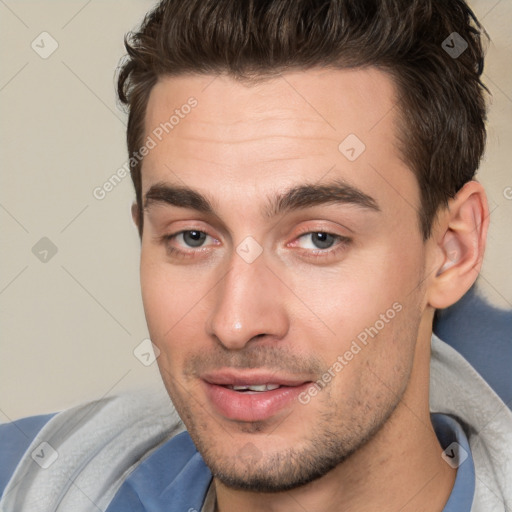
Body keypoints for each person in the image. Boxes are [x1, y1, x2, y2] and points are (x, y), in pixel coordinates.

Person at [1, 1, 511, 511]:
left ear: (451, 250)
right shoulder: (25, 479)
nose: (235, 323)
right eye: (193, 237)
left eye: (319, 239)